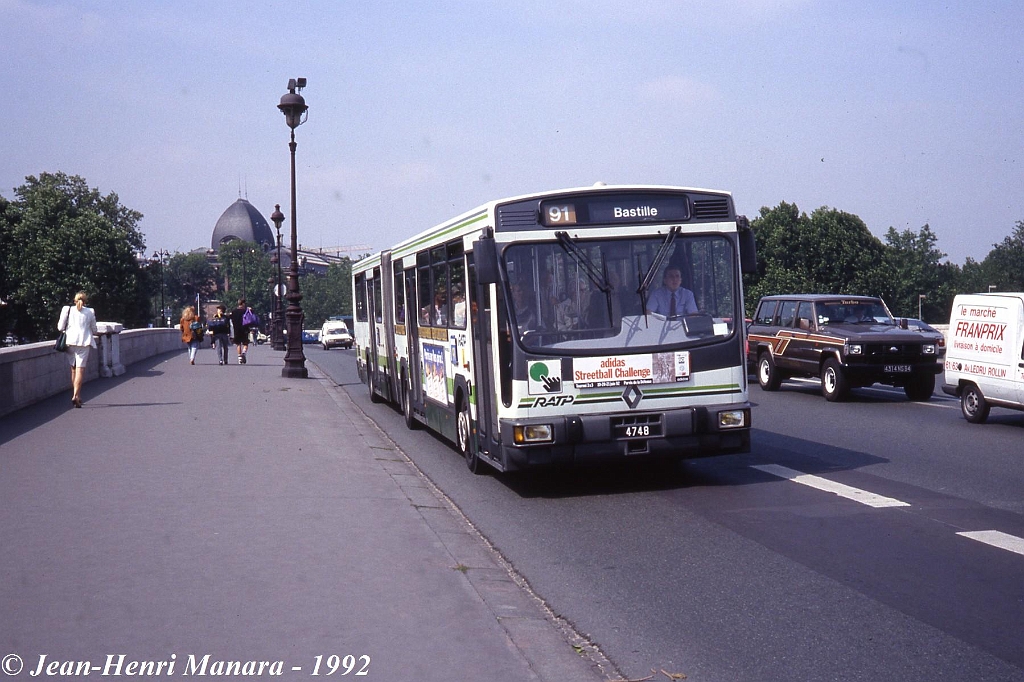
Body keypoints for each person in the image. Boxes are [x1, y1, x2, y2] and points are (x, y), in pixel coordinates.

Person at [58, 291, 98, 408]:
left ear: (74, 300)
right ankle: (76, 395)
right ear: (85, 301)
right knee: (80, 370)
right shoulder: (90, 312)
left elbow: (60, 327)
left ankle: (77, 395)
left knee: (73, 370)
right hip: (84, 343)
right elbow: (94, 330)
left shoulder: (67, 309)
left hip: (70, 342)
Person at [229, 298, 251, 364]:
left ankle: (239, 358)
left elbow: (231, 319)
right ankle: (243, 353)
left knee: (238, 344)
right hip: (245, 329)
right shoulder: (245, 311)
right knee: (245, 343)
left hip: (236, 329)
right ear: (243, 303)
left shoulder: (234, 311)